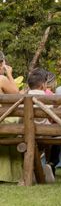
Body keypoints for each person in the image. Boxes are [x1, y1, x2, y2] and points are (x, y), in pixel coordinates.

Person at [0, 54, 22, 183]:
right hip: (3, 125)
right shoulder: (1, 79)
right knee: (20, 122)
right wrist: (9, 74)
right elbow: (17, 96)